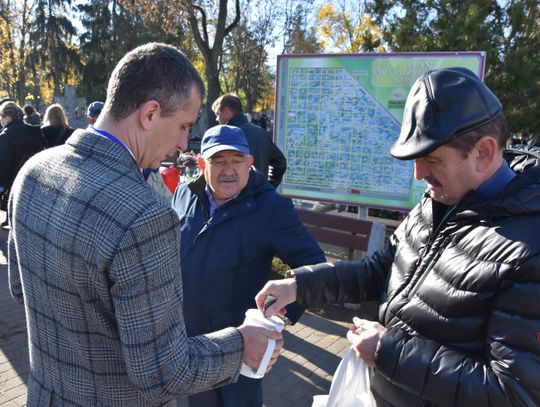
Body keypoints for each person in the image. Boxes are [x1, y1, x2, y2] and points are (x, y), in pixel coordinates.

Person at [7, 42, 282, 406]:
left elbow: (21, 289)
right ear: (150, 113)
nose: (183, 143)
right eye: (183, 126)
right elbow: (163, 372)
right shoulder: (145, 215)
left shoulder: (32, 172)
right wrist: (241, 344)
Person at [256, 67, 540, 406]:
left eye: (431, 159)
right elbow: (380, 270)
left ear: (483, 152)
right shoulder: (440, 200)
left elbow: (514, 393)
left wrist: (387, 352)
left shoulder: (529, 248)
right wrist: (300, 286)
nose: (418, 174)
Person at [172, 124, 325, 407]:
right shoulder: (184, 194)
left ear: (249, 163)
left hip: (238, 346)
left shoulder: (271, 208)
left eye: (237, 160)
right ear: (202, 163)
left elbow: (315, 267)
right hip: (188, 342)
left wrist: (278, 317)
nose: (228, 170)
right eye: (218, 161)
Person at [212, 93, 286, 188]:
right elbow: (280, 163)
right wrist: (269, 186)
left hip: (234, 193)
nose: (216, 119)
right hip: (259, 192)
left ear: (226, 111)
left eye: (218, 114)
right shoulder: (261, 132)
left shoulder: (225, 135)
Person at [0, 101, 47, 228]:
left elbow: (3, 164)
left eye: (1, 116)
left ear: (8, 118)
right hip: (34, 181)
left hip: (13, 183)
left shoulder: (5, 136)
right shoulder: (35, 132)